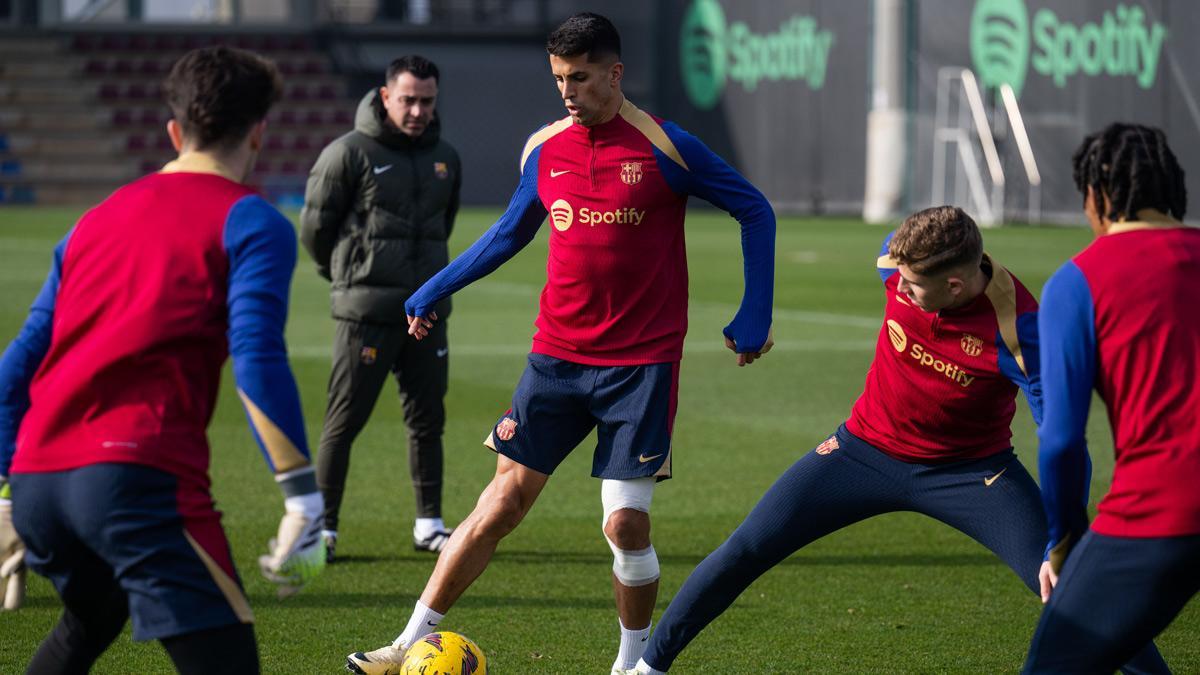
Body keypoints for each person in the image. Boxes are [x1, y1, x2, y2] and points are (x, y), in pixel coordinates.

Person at [347, 12, 776, 675]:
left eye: (579, 77)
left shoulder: (667, 145)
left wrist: (755, 312)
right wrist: (436, 286)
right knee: (499, 503)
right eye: (558, 79)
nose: (568, 92)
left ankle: (633, 664)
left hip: (640, 366)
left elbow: (754, 208)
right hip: (556, 359)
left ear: (614, 72)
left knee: (623, 526)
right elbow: (510, 233)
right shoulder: (546, 147)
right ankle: (405, 643)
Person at [624, 206, 1167, 674]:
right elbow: (898, 261)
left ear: (955, 286)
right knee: (746, 547)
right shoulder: (898, 260)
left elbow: (1063, 439)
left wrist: (1061, 538)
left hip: (971, 473)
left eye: (911, 285)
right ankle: (648, 666)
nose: (896, 286)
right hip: (861, 449)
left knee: (1073, 586)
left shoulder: (1021, 331)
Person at [0, 46, 325, 672]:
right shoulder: (252, 220)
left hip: (37, 482)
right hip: (134, 480)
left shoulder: (93, 220)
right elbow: (256, 359)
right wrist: (302, 499)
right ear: (259, 132)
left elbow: (18, 364)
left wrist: (7, 489)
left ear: (174, 131)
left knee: (89, 621)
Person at [1024, 123, 1199, 673]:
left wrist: (1064, 541)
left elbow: (1060, 441)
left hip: (1160, 511)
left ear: (1096, 198)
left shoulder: (1078, 281)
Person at [300, 54, 462, 559]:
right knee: (343, 423)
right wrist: (350, 278)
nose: (417, 110)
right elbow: (315, 231)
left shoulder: (446, 157)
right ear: (386, 96)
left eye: (427, 100)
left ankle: (429, 525)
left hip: (427, 314)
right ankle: (323, 530)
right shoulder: (346, 153)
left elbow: (445, 224)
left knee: (428, 420)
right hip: (366, 314)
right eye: (408, 99)